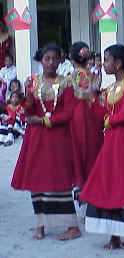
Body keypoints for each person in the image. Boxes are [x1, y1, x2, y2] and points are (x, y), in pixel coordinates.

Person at [11, 43, 81, 241]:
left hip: (58, 138)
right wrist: (24, 99)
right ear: (40, 61)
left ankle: (72, 226)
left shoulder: (67, 83)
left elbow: (69, 112)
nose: (50, 62)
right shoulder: (33, 83)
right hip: (36, 138)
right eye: (46, 58)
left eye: (54, 58)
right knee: (37, 181)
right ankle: (40, 224)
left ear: (60, 60)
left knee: (60, 181)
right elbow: (29, 110)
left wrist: (45, 120)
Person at [80, 44, 124, 250]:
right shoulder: (112, 87)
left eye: (107, 60)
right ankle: (115, 235)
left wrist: (108, 119)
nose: (103, 64)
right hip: (113, 140)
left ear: (119, 63)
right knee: (110, 181)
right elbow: (103, 115)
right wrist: (92, 99)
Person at [69, 41, 104, 192]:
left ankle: (82, 181)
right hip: (93, 111)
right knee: (93, 143)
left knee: (80, 146)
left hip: (77, 112)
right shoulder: (94, 75)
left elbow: (76, 95)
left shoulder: (73, 76)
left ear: (72, 58)